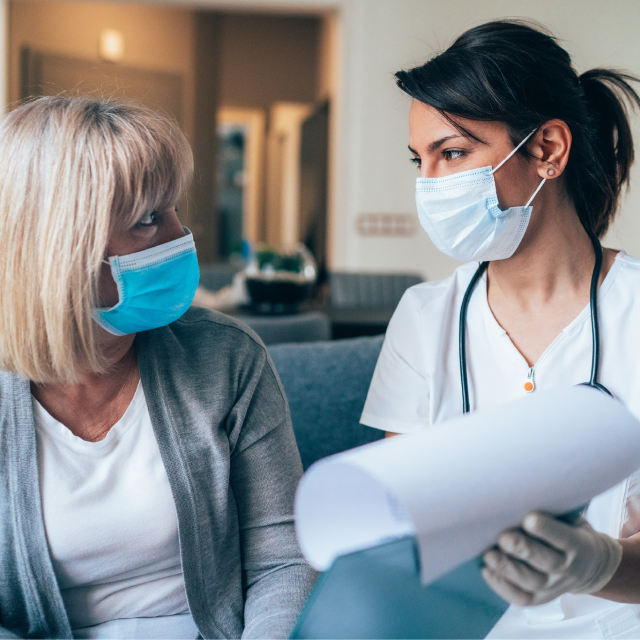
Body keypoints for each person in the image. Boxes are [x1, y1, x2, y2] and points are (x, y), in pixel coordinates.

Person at [360, 19, 640, 638]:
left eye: (453, 153)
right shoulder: (424, 318)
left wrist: (601, 563)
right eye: (421, 160)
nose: (429, 185)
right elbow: (406, 533)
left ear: (547, 150)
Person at [0, 96, 315, 640]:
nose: (181, 237)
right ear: (59, 248)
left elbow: (282, 561)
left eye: (173, 209)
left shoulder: (227, 359)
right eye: (148, 219)